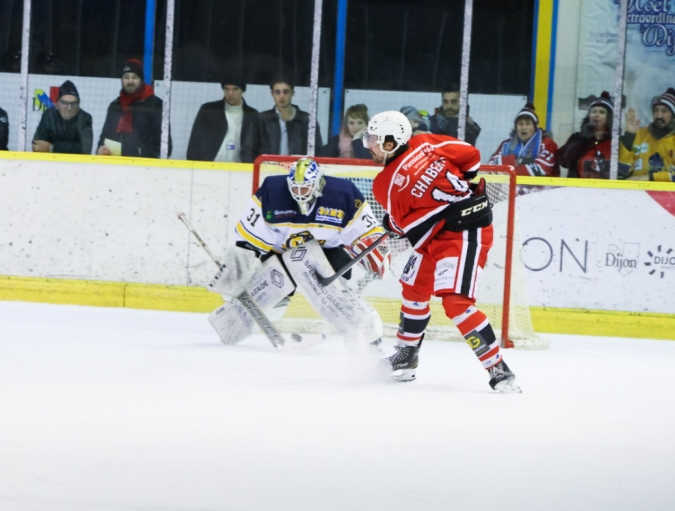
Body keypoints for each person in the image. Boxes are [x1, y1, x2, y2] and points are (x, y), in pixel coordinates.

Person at [363, 110, 520, 393]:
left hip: (463, 233)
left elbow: (404, 226)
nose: (369, 145)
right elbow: (471, 156)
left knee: (456, 303)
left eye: (373, 139)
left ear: (390, 142)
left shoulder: (383, 184)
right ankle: (406, 356)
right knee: (414, 288)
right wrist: (460, 189)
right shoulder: (425, 142)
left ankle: (498, 368)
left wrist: (392, 223)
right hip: (439, 233)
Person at [210, 157, 391, 345]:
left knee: (336, 296)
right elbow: (248, 241)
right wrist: (236, 274)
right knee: (270, 295)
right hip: (281, 254)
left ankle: (365, 335)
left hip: (327, 254)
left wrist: (379, 251)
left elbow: (369, 232)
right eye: (295, 188)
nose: (299, 193)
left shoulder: (343, 194)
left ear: (318, 184)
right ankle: (231, 324)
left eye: (305, 188)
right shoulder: (272, 192)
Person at [96, 58, 171, 159]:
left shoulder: (154, 105)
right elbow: (104, 138)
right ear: (122, 80)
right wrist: (100, 149)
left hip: (144, 166)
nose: (130, 81)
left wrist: (150, 161)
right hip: (116, 164)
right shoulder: (115, 106)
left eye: (134, 77)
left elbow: (165, 145)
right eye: (126, 77)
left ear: (141, 80)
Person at [619, 88, 675, 182]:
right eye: (656, 110)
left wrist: (651, 178)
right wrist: (629, 136)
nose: (659, 115)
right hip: (638, 191)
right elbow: (622, 171)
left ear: (673, 114)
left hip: (670, 192)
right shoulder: (639, 135)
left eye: (664, 111)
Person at [241, 77, 322, 163]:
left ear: (292, 93)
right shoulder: (261, 120)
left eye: (286, 92)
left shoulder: (306, 121)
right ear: (272, 94)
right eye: (277, 92)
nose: (282, 96)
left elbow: (317, 151)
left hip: (298, 169)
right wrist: (256, 169)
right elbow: (248, 150)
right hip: (267, 169)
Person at [186, 77, 258, 162]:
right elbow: (195, 141)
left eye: (235, 89)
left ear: (243, 91)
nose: (230, 93)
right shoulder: (209, 110)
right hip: (211, 166)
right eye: (226, 89)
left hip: (241, 167)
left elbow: (256, 146)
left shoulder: (253, 115)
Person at [488, 103, 559, 177]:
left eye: (528, 124)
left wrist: (510, 166)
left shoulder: (548, 144)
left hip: (542, 185)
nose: (524, 128)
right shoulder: (505, 144)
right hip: (510, 184)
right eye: (520, 124)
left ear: (536, 126)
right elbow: (491, 167)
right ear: (516, 127)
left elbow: (541, 169)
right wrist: (522, 161)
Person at [556, 91, 614, 179]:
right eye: (593, 111)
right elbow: (563, 161)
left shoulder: (614, 141)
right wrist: (582, 138)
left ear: (609, 117)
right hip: (578, 187)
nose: (596, 115)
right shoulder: (577, 138)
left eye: (602, 112)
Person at [32, 80, 93, 154]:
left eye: (73, 103)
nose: (69, 107)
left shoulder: (84, 118)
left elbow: (85, 149)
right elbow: (37, 145)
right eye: (65, 103)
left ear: (78, 105)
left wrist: (52, 147)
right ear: (57, 104)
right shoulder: (48, 116)